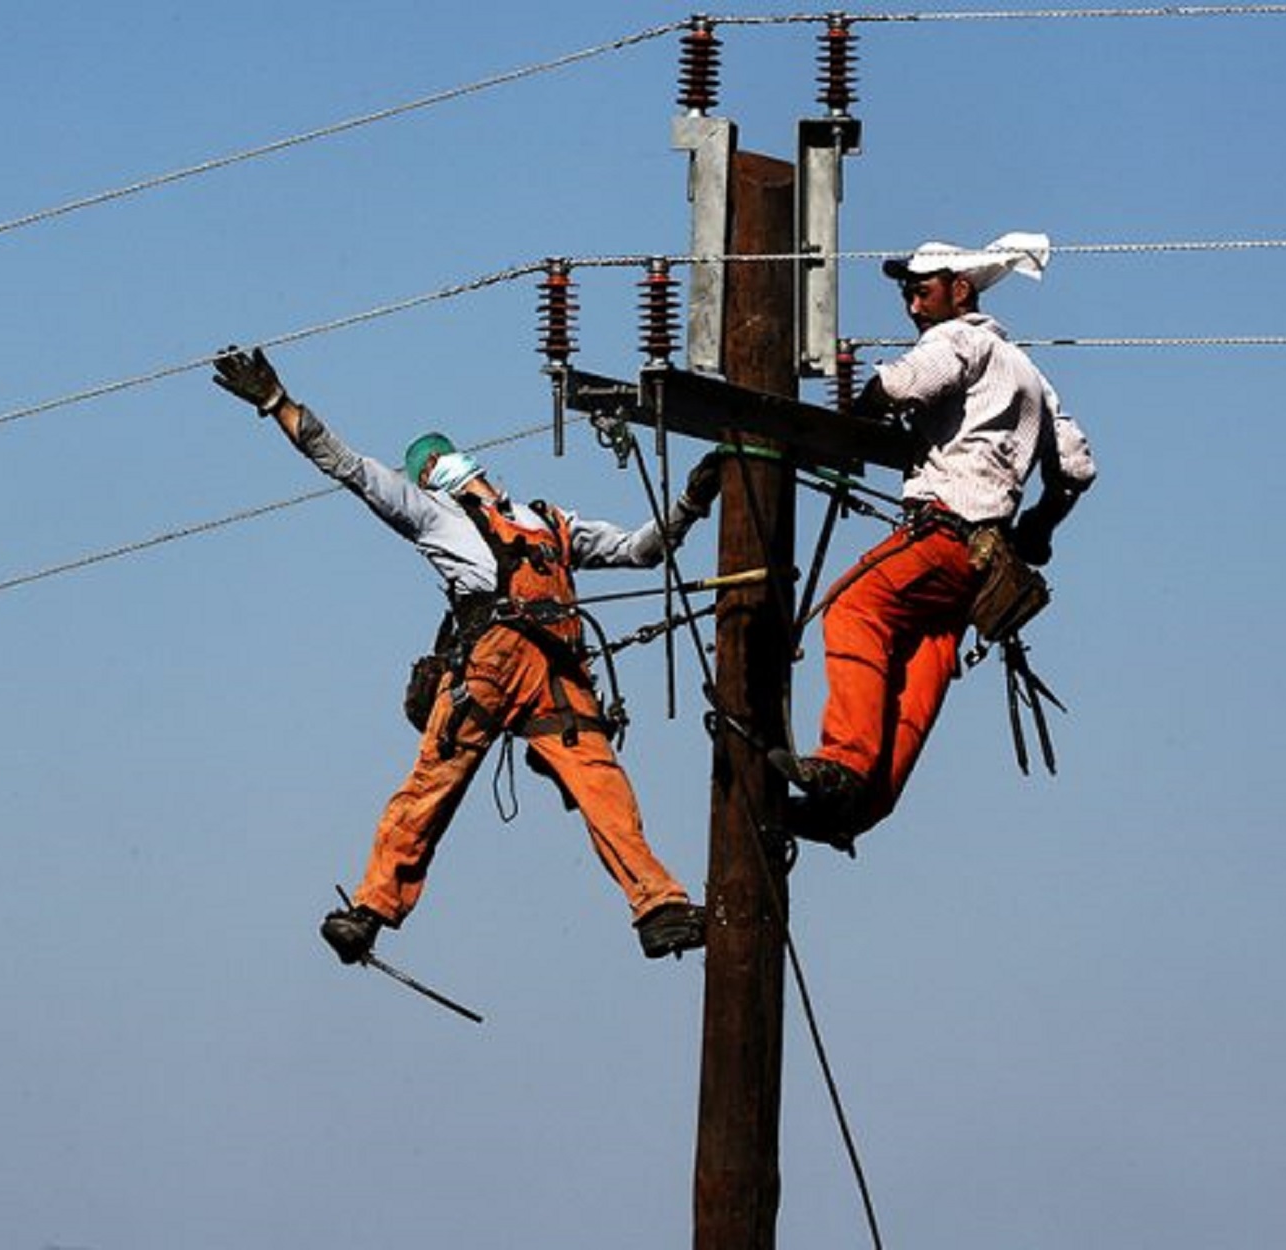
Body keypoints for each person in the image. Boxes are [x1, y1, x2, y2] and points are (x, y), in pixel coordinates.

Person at [211, 346, 722, 963]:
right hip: (490, 665)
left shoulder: (549, 522)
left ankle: (659, 909)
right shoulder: (436, 516)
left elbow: (642, 551)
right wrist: (277, 403)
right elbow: (349, 468)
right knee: (433, 784)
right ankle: (371, 909)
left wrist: (690, 506)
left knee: (603, 789)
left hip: (556, 675)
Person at [774, 231, 1097, 847]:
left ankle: (844, 765)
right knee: (922, 667)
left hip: (941, 532)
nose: (914, 308)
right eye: (908, 297)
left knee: (854, 609)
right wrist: (1038, 529)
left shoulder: (959, 339)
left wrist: (851, 425)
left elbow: (902, 386)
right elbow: (1077, 468)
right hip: (979, 563)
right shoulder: (1029, 374)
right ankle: (860, 808)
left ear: (959, 289)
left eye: (922, 293)